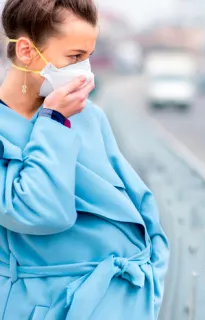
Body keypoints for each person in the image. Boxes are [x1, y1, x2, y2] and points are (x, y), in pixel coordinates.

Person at [0, 0, 169, 319]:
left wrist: (151, 281)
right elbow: (41, 212)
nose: (84, 71)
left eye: (88, 57)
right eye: (74, 57)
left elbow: (137, 207)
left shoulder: (89, 116)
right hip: (46, 306)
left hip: (121, 302)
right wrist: (52, 120)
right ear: (26, 51)